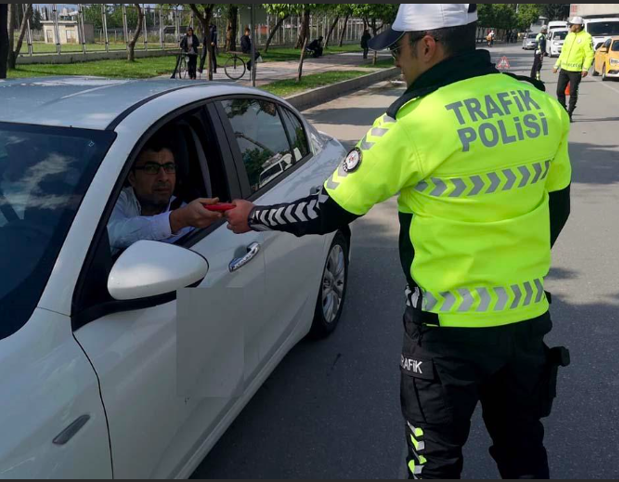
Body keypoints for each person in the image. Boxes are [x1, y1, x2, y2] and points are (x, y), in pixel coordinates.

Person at [224, 3, 572, 479]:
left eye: (398, 50)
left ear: (427, 45)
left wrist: (254, 215)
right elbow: (558, 208)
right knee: (523, 450)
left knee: (434, 464)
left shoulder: (413, 122)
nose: (396, 62)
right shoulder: (540, 104)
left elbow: (330, 209)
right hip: (526, 320)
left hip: (446, 331)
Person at [107, 131, 222, 251]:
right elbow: (112, 233)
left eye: (169, 167)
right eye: (151, 168)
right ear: (132, 178)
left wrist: (182, 219)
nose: (163, 177)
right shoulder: (118, 198)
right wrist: (176, 220)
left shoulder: (192, 217)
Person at [553, 16, 594, 122]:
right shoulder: (569, 36)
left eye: (571, 25)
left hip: (576, 71)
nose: (569, 27)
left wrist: (585, 68)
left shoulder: (586, 37)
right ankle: (563, 110)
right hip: (564, 69)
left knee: (572, 92)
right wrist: (556, 65)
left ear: (578, 26)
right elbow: (564, 52)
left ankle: (569, 113)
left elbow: (589, 54)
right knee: (559, 91)